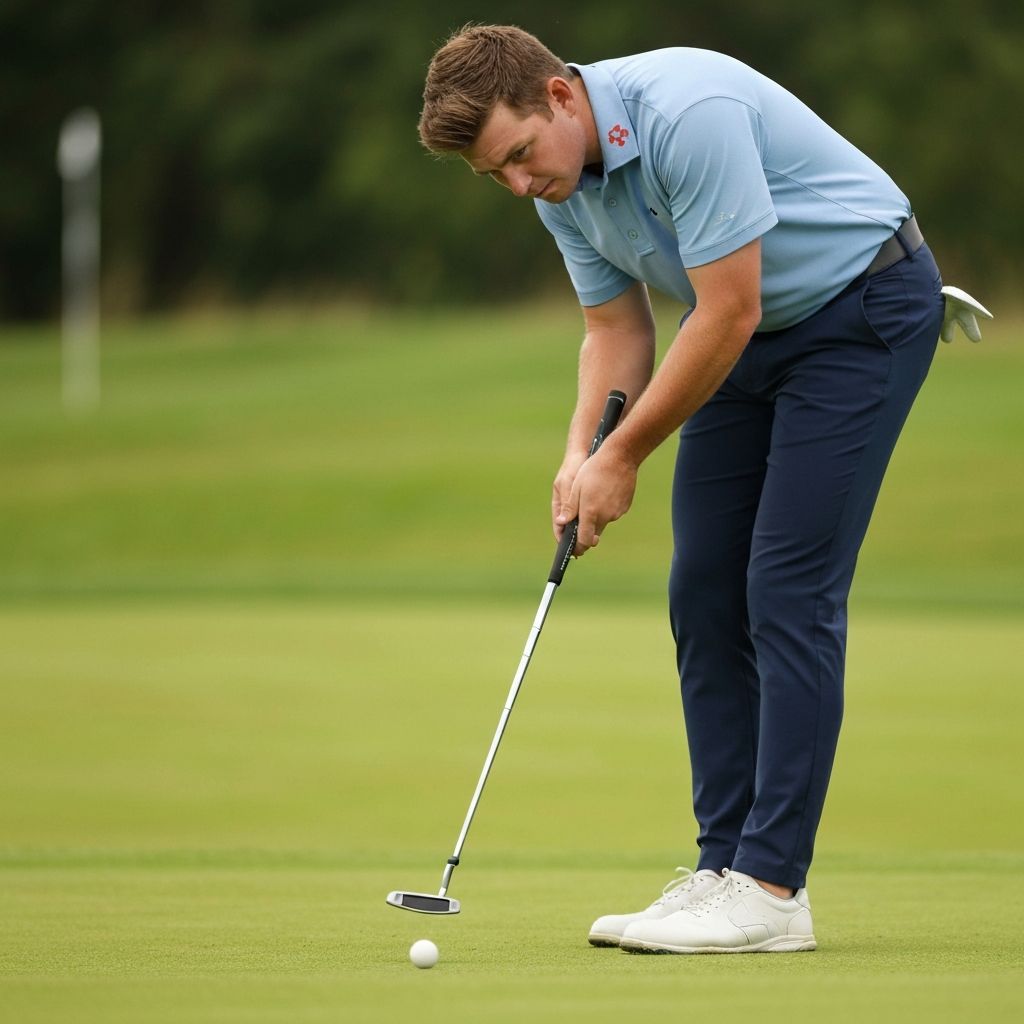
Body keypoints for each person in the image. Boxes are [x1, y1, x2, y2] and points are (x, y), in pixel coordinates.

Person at [418, 24, 989, 954]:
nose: (518, 185)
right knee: (704, 590)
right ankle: (722, 871)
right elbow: (616, 332)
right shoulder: (560, 186)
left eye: (518, 156)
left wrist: (623, 457)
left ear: (558, 96)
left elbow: (729, 307)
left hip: (859, 311)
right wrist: (582, 455)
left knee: (787, 588)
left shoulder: (688, 112)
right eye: (495, 176)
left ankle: (772, 890)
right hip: (744, 334)